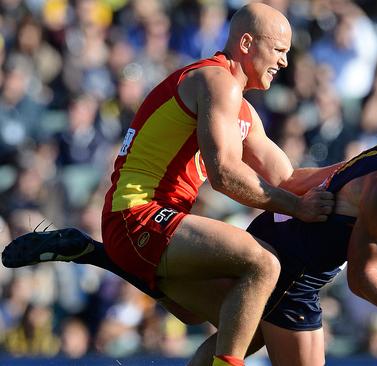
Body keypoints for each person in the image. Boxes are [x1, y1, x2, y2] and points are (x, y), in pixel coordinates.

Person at [5, 83, 377, 364]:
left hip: (295, 259)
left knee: (199, 318)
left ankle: (93, 252)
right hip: (288, 271)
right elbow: (366, 280)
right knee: (229, 333)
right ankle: (97, 253)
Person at [5, 4, 339, 366]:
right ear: (246, 42)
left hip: (149, 224)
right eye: (279, 50)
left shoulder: (239, 106)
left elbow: (287, 178)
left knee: (246, 323)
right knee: (264, 265)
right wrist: (295, 207)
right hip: (138, 215)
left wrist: (365, 166)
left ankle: (97, 254)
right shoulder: (217, 82)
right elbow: (225, 174)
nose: (285, 62)